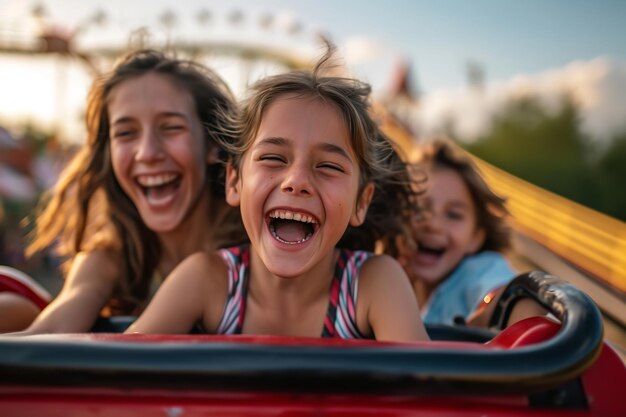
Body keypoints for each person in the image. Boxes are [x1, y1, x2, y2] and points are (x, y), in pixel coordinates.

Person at [127, 45, 429, 342]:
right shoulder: (206, 280)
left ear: (361, 202)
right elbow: (115, 369)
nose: (296, 181)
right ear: (235, 183)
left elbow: (430, 386)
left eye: (328, 166)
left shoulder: (373, 284)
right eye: (273, 158)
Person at [3, 49, 245, 334]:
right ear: (109, 153)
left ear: (213, 144)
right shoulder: (112, 254)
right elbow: (52, 332)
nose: (147, 153)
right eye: (126, 133)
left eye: (171, 128)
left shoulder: (261, 244)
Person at [397, 138, 518, 327]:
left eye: (453, 215)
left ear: (476, 238)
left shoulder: (477, 271)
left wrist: (488, 313)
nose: (433, 224)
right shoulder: (387, 279)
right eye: (419, 209)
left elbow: (513, 300)